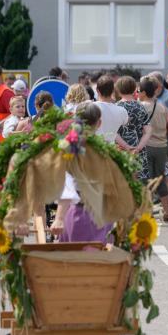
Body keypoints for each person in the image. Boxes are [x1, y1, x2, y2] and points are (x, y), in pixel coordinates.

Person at [51, 103, 113, 244]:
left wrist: (59, 218)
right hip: (104, 213)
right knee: (101, 255)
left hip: (80, 214)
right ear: (99, 123)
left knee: (76, 255)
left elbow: (67, 184)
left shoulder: (71, 149)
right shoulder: (106, 149)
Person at [139, 77, 168, 222]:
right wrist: (162, 136)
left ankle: (148, 212)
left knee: (145, 180)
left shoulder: (140, 107)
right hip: (161, 147)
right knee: (160, 179)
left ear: (143, 92)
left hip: (146, 147)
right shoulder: (162, 107)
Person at [115, 76, 151, 180]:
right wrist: (138, 148)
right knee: (138, 184)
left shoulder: (116, 107)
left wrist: (126, 146)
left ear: (118, 89)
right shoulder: (140, 107)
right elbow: (148, 131)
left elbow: (113, 132)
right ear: (134, 89)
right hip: (138, 151)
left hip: (120, 151)